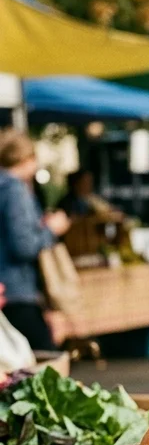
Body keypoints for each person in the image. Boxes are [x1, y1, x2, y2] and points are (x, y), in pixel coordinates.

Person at [0, 130, 69, 349]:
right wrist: (51, 229)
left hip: (7, 290)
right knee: (45, 357)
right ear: (26, 159)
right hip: (16, 290)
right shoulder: (14, 190)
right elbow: (24, 246)